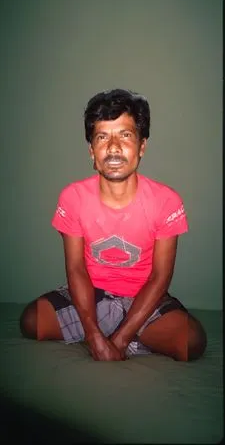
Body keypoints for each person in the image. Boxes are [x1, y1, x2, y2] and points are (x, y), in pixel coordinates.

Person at [20, 88, 207, 362]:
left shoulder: (167, 201)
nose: (114, 147)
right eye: (102, 137)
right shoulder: (72, 198)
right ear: (91, 150)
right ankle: (102, 331)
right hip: (91, 297)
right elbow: (76, 269)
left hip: (143, 299)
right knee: (31, 321)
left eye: (126, 135)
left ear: (142, 146)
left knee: (191, 342)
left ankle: (121, 333)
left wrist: (119, 340)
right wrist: (94, 335)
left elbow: (160, 277)